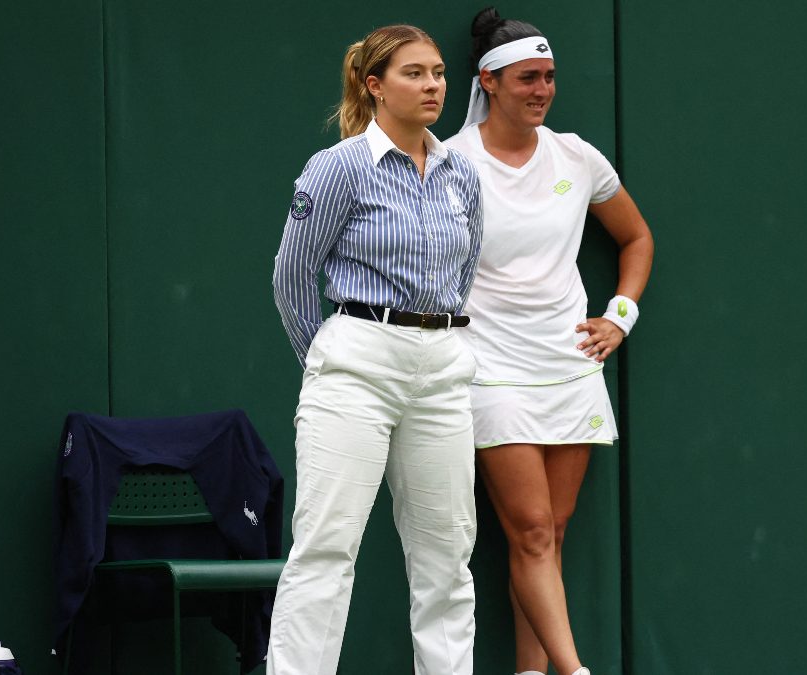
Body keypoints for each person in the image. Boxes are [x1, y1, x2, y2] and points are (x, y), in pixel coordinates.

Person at [445, 8, 654, 675]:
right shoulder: (452, 163)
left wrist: (618, 315)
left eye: (550, 77)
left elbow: (637, 237)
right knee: (532, 529)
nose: (542, 89)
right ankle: (574, 669)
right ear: (492, 82)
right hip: (488, 366)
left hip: (568, 362)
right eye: (529, 78)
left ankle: (531, 672)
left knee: (549, 536)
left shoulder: (577, 156)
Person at [269, 24, 483, 675]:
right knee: (326, 550)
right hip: (356, 362)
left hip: (443, 367)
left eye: (439, 73)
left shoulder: (461, 176)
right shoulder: (336, 168)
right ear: (374, 85)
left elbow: (464, 271)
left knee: (447, 561)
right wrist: (332, 357)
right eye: (414, 73)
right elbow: (291, 277)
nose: (432, 85)